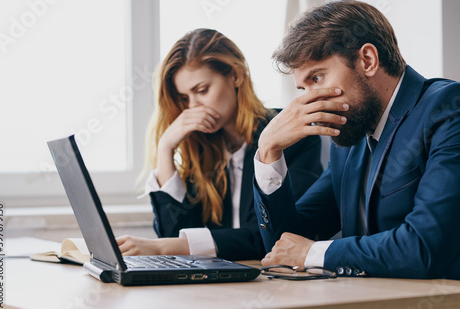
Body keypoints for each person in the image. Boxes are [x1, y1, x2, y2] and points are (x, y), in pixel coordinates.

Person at [253, 0, 460, 282]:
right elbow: (286, 244)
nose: (308, 100)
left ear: (367, 60)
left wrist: (313, 254)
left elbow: (423, 249)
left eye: (317, 77)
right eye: (303, 88)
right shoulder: (350, 137)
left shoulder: (454, 108)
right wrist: (268, 152)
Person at [116, 28, 322, 261]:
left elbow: (269, 238)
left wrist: (161, 248)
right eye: (184, 98)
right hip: (220, 285)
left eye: (202, 90)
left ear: (235, 76)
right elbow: (178, 239)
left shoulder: (285, 135)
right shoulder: (204, 149)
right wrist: (165, 149)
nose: (193, 106)